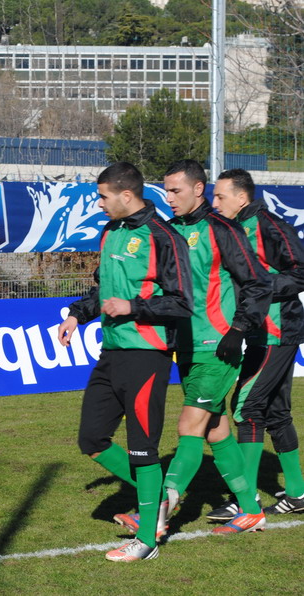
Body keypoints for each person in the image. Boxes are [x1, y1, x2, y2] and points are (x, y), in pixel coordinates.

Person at [57, 162, 193, 562]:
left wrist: (133, 306)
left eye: (102, 197)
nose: (98, 204)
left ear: (126, 195)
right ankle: (159, 500)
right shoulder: (110, 232)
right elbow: (104, 289)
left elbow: (183, 302)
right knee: (92, 439)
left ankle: (147, 539)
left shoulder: (163, 237)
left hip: (147, 356)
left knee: (142, 450)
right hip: (111, 351)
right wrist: (76, 315)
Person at [143, 159, 272, 535]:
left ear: (199, 189)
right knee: (215, 430)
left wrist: (239, 328)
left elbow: (258, 283)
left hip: (218, 347)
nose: (168, 198)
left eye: (175, 190)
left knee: (189, 425)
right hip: (184, 347)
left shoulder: (223, 231)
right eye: (165, 191)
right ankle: (251, 510)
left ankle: (159, 509)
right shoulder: (167, 232)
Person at [206, 168, 304, 518]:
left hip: (277, 332)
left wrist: (260, 288)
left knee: (246, 409)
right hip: (260, 332)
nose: (214, 203)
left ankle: (244, 499)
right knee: (276, 414)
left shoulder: (269, 224)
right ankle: (297, 493)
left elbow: (300, 271)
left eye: (220, 196)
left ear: (242, 197)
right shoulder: (227, 228)